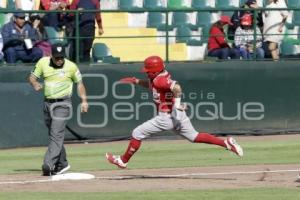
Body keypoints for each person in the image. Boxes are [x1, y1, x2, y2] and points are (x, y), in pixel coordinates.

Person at [105, 55, 244, 169]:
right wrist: (136, 81)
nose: (146, 72)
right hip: (177, 115)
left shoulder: (159, 79)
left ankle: (123, 161)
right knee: (194, 136)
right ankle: (226, 143)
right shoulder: (159, 77)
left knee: (137, 133)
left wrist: (177, 104)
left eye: (148, 71)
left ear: (154, 71)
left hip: (167, 117)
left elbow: (177, 88)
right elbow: (152, 85)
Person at [28, 43, 89, 176]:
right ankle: (62, 164)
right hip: (47, 103)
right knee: (54, 135)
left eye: (62, 57)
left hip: (63, 104)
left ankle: (48, 164)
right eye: (57, 57)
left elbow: (79, 83)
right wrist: (34, 83)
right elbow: (32, 77)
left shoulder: (71, 66)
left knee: (56, 134)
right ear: (51, 55)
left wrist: (84, 100)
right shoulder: (43, 62)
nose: (59, 60)